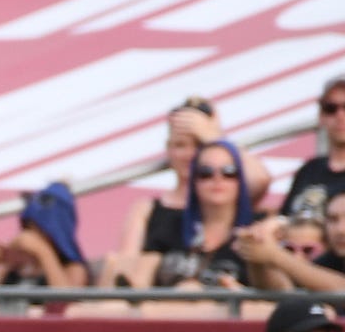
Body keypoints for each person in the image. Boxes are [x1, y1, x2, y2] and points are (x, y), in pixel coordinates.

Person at [108, 97, 271, 285]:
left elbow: (259, 178)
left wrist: (214, 136)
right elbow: (126, 268)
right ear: (168, 149)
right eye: (180, 145)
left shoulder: (228, 197)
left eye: (199, 145)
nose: (190, 155)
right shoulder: (146, 208)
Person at [239, 187, 345, 313]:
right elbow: (284, 292)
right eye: (333, 219)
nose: (342, 230)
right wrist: (257, 255)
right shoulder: (330, 260)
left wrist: (275, 255)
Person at [0, 182, 90, 311]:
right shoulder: (14, 268)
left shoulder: (73, 268)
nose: (31, 236)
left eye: (40, 230)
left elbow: (67, 307)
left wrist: (44, 253)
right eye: (28, 227)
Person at [282, 73, 345, 223]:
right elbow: (285, 219)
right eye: (330, 108)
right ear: (321, 116)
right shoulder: (308, 170)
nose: (341, 115)